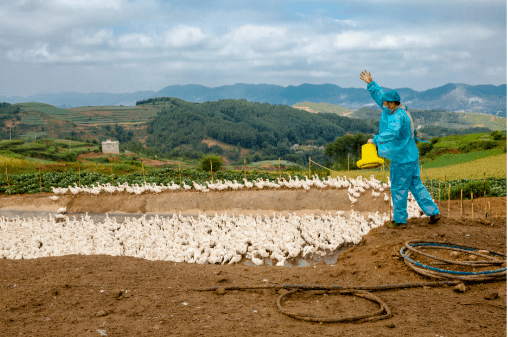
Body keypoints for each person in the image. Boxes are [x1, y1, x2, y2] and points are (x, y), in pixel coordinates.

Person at [359, 70, 441, 228]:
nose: (383, 104)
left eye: (385, 103)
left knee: (398, 187)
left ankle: (400, 220)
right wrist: (370, 83)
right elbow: (379, 95)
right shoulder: (394, 109)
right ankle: (433, 212)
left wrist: (375, 140)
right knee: (416, 185)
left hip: (401, 158)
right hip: (411, 155)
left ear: (391, 103)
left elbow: (392, 132)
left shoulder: (398, 116)